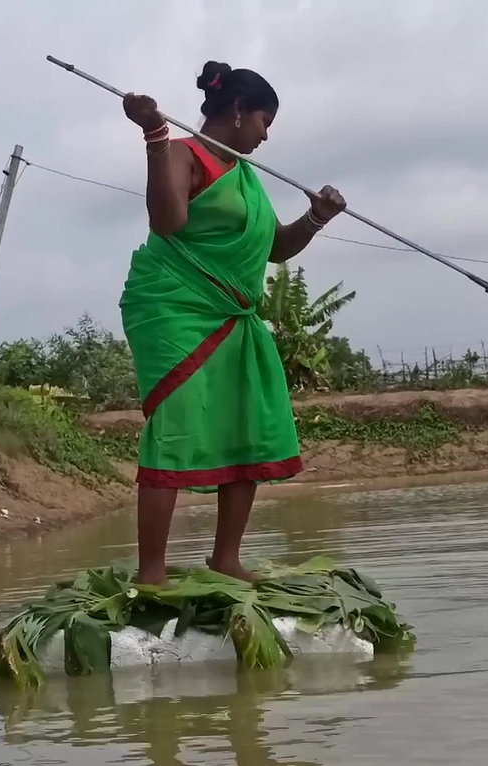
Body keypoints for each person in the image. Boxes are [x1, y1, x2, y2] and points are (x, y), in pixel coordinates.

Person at [118, 60, 347, 586]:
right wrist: (155, 135)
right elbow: (167, 221)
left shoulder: (247, 177)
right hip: (174, 306)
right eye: (265, 121)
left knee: (247, 425)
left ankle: (226, 558)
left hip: (234, 314)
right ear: (240, 112)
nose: (266, 135)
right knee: (175, 427)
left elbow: (274, 250)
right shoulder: (182, 152)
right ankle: (150, 572)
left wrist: (315, 217)